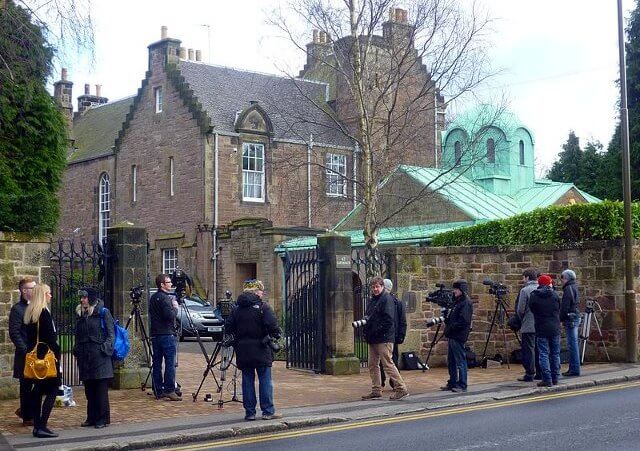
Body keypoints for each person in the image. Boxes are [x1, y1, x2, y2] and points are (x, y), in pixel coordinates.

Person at [225, 279, 282, 421]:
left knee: (247, 380)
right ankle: (268, 411)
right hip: (261, 347)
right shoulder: (263, 307)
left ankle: (249, 413)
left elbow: (228, 328)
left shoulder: (236, 309)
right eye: (261, 291)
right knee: (265, 380)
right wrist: (275, 335)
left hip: (243, 350)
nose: (262, 293)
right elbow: (273, 327)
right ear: (256, 292)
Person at [361, 276, 408, 401]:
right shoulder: (373, 300)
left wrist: (375, 331)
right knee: (372, 365)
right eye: (373, 287)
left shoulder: (386, 299)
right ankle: (376, 389)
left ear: (382, 287)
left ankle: (401, 388)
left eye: (377, 286)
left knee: (387, 364)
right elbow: (369, 317)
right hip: (374, 338)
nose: (375, 289)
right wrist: (367, 331)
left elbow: (388, 321)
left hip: (384, 338)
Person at [23, 284, 61, 438]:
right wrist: (57, 355)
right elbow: (51, 339)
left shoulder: (31, 313)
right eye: (49, 293)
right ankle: (42, 425)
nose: (51, 296)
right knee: (53, 389)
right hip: (46, 358)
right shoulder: (44, 313)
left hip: (35, 358)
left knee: (38, 392)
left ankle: (37, 426)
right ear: (43, 295)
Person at [73, 287, 114, 428]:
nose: (82, 300)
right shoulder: (81, 314)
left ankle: (102, 418)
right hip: (85, 356)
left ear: (90, 298)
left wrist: (104, 348)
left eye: (84, 297)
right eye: (81, 297)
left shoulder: (103, 312)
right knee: (89, 389)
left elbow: (111, 334)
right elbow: (77, 335)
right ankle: (91, 417)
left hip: (100, 356)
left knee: (100, 390)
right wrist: (76, 348)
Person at [149, 273, 181, 401]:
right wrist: (175, 308)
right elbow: (169, 316)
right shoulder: (165, 298)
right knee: (170, 363)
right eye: (168, 282)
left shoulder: (154, 297)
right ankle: (169, 389)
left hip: (156, 334)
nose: (171, 284)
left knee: (156, 363)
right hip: (166, 334)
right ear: (162, 284)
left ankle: (157, 389)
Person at [9, 278, 36, 426]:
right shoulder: (17, 309)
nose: (34, 290)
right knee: (25, 386)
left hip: (37, 354)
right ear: (24, 290)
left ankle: (25, 409)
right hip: (25, 354)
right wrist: (25, 351)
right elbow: (14, 333)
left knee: (41, 384)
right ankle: (27, 416)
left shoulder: (36, 306)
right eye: (32, 288)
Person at [529, 274, 561, 387]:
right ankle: (555, 377)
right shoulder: (555, 295)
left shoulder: (534, 295)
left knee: (543, 354)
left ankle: (547, 379)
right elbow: (559, 309)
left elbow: (532, 308)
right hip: (555, 328)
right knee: (555, 354)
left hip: (541, 327)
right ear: (549, 283)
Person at [442, 280, 473, 393]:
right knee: (451, 361)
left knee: (460, 360)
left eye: (456, 289)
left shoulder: (465, 302)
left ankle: (462, 384)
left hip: (458, 335)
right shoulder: (457, 301)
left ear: (461, 290)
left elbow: (463, 321)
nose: (454, 291)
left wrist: (451, 326)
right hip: (452, 334)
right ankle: (453, 382)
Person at [515, 268, 541, 382]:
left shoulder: (525, 290)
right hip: (540, 324)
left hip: (528, 325)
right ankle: (540, 372)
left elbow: (520, 309)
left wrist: (520, 320)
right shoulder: (542, 288)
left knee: (529, 350)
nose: (522, 279)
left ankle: (529, 373)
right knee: (539, 349)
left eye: (523, 277)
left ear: (527, 277)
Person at [380, 278, 406, 389]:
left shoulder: (396, 302)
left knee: (390, 360)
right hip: (386, 335)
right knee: (386, 360)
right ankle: (383, 381)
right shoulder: (381, 301)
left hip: (391, 336)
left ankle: (394, 382)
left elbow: (402, 320)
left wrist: (401, 335)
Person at [560, 269, 581, 377]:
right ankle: (573, 368)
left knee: (572, 345)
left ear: (566, 278)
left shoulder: (568, 289)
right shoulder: (574, 287)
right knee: (573, 344)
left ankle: (574, 369)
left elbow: (565, 306)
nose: (561, 280)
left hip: (571, 318)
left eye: (562, 278)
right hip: (575, 316)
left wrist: (560, 318)